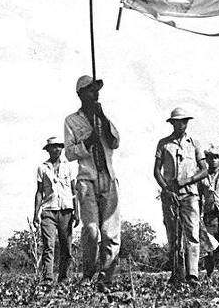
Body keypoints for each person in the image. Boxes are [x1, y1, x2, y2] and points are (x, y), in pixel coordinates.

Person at [64, 75, 121, 293]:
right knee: (90, 230)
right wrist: (88, 141)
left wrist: (103, 118)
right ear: (80, 94)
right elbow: (69, 153)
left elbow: (115, 142)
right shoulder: (71, 120)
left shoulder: (102, 116)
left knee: (110, 232)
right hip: (87, 179)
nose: (95, 93)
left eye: (96, 90)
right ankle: (88, 274)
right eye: (90, 90)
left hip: (108, 177)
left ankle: (106, 277)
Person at [154, 107, 208, 285]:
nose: (182, 125)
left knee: (192, 234)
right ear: (173, 123)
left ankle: (193, 275)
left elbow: (204, 170)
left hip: (190, 194)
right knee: (173, 235)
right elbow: (156, 171)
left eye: (185, 121)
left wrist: (188, 180)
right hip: (170, 196)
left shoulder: (194, 143)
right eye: (178, 121)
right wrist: (166, 189)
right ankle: (177, 273)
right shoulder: (164, 143)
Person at [33, 137, 79, 285]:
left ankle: (63, 278)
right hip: (48, 210)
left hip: (66, 210)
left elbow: (74, 190)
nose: (57, 149)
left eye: (59, 146)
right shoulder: (42, 167)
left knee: (66, 247)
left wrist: (77, 212)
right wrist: (36, 213)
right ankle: (47, 278)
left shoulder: (69, 167)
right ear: (48, 149)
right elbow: (39, 192)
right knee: (48, 245)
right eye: (54, 147)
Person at [200, 147, 219, 283]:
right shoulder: (202, 176)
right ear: (206, 160)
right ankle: (209, 275)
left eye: (216, 158)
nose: (213, 160)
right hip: (209, 216)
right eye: (210, 158)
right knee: (209, 250)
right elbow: (200, 197)